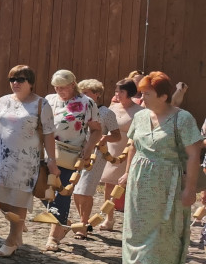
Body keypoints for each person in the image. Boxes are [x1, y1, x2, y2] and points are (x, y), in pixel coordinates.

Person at [117, 72, 201, 264]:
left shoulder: (182, 119)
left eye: (147, 94)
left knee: (170, 228)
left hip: (169, 181)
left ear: (164, 96)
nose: (142, 99)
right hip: (140, 179)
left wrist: (190, 188)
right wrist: (126, 174)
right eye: (141, 93)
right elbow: (133, 146)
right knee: (135, 227)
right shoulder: (141, 117)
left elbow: (194, 154)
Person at [0, 65, 59, 257]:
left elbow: (48, 134)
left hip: (26, 161)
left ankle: (12, 239)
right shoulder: (4, 101)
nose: (15, 83)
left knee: (18, 200)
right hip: (3, 158)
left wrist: (51, 160)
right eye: (12, 79)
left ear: (30, 83)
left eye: (20, 79)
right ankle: (17, 230)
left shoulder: (41, 104)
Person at [43, 70, 101, 251]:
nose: (59, 90)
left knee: (62, 193)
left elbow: (97, 130)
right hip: (47, 152)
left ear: (72, 85)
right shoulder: (49, 99)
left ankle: (53, 236)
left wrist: (89, 148)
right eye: (56, 87)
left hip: (70, 154)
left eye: (63, 87)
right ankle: (62, 221)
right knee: (41, 190)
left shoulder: (86, 103)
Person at [72, 79, 122, 238]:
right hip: (76, 152)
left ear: (97, 94)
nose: (83, 96)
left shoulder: (107, 113)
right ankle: (83, 222)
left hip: (96, 155)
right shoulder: (78, 109)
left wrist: (105, 138)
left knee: (85, 190)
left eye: (86, 93)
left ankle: (83, 224)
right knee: (75, 190)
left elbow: (116, 136)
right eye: (81, 93)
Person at [99, 78, 143, 231]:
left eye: (121, 91)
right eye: (116, 91)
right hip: (112, 150)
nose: (117, 94)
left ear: (130, 93)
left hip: (130, 150)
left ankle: (134, 221)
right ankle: (108, 218)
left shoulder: (140, 111)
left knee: (131, 187)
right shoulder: (113, 107)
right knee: (109, 185)